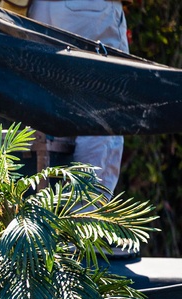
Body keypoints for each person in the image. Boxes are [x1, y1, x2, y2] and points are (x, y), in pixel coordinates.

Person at [27, 0, 130, 192]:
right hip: (91, 10)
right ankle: (83, 214)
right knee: (103, 110)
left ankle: (42, 212)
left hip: (36, 10)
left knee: (46, 111)